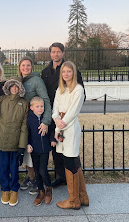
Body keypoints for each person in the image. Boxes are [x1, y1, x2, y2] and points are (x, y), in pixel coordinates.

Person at [41, 42, 85, 188]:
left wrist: (64, 119)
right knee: (56, 147)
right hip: (54, 113)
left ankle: (72, 178)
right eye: (53, 52)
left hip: (67, 116)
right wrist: (54, 116)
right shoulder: (46, 71)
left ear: (63, 52)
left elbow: (80, 95)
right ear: (50, 53)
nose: (55, 54)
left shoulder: (70, 69)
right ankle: (60, 175)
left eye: (58, 52)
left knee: (70, 151)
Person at [52, 61, 89, 209]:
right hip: (60, 126)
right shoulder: (60, 89)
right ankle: (83, 197)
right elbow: (55, 108)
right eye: (63, 72)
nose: (66, 74)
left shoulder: (78, 89)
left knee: (71, 160)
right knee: (73, 161)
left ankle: (73, 200)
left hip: (70, 128)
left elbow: (73, 111)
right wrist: (57, 123)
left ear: (73, 72)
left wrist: (62, 123)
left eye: (69, 71)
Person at [0, 77, 29, 206]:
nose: (14, 89)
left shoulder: (24, 103)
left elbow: (24, 126)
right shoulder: (1, 100)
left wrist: (22, 146)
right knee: (4, 167)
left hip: (16, 140)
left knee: (14, 167)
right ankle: (5, 189)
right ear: (8, 88)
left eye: (17, 86)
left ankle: (14, 189)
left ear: (20, 88)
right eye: (12, 86)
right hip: (1, 139)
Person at [18, 56, 51, 195]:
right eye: (23, 65)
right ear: (19, 67)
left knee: (35, 153)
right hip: (24, 121)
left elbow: (46, 100)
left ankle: (38, 181)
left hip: (35, 121)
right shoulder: (18, 80)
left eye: (28, 65)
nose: (25, 68)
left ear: (32, 67)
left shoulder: (36, 80)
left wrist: (46, 121)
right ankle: (31, 178)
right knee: (27, 151)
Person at [27, 97, 52, 206]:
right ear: (32, 108)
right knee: (37, 171)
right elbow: (26, 133)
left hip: (45, 148)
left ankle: (48, 188)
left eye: (42, 106)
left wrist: (53, 140)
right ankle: (40, 191)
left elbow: (51, 130)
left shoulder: (46, 118)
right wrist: (27, 144)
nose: (40, 108)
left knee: (43, 170)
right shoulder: (29, 119)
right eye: (37, 106)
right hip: (34, 149)